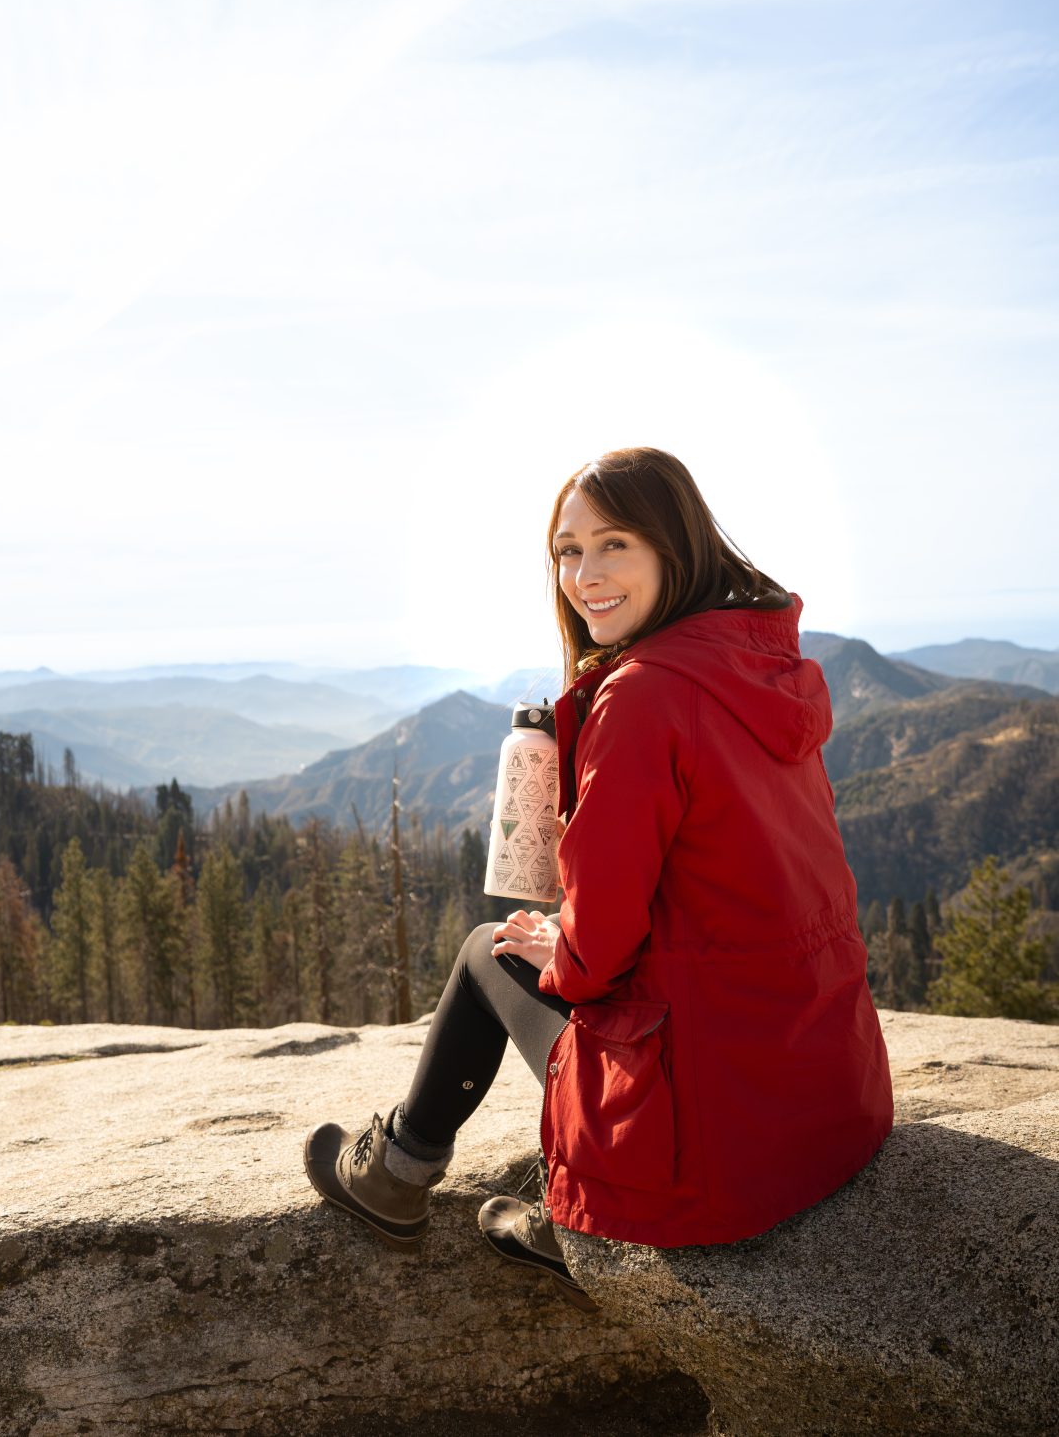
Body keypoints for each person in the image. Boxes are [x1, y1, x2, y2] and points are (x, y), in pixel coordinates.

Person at [304, 445, 894, 1309]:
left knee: (487, 949)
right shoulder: (755, 667)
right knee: (534, 951)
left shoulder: (646, 696)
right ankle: (549, 1203)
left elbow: (596, 955)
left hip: (712, 1141)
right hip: (822, 1093)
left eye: (613, 544)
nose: (585, 574)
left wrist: (563, 948)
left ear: (674, 547)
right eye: (568, 551)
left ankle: (406, 1176)